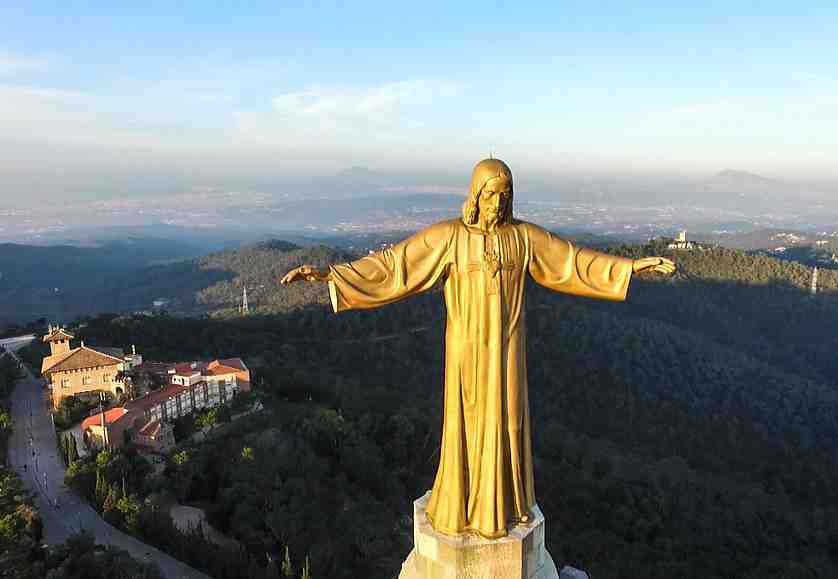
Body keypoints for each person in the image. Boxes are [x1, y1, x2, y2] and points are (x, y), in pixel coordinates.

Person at [281, 158, 675, 538]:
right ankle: (462, 508)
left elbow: (572, 263)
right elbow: (394, 266)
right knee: (467, 428)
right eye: (491, 195)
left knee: (508, 423)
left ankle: (503, 505)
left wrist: (631, 267)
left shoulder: (522, 237)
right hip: (467, 354)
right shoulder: (450, 237)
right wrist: (327, 274)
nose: (498, 203)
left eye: (505, 195)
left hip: (507, 353)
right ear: (475, 195)